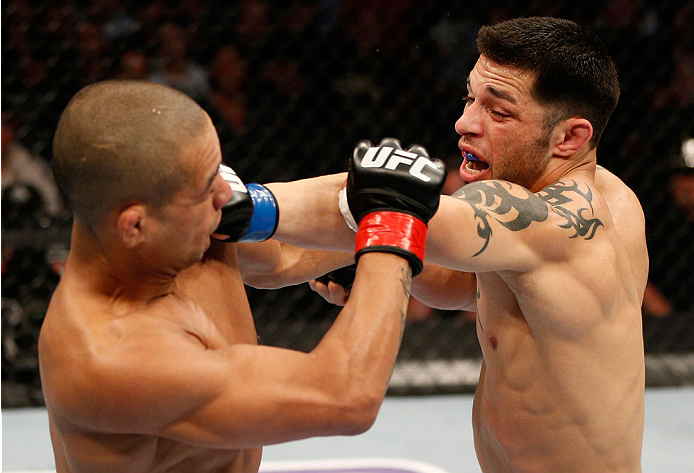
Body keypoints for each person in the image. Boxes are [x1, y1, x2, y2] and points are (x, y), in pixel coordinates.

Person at [268, 17, 647, 473]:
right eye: (470, 97)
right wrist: (382, 261)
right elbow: (465, 284)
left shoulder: (554, 222)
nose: (463, 123)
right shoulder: (610, 197)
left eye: (499, 111)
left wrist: (244, 205)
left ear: (570, 137)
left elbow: (396, 199)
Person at [38, 79, 446, 472]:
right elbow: (344, 395)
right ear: (134, 226)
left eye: (217, 169)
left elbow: (285, 253)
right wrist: (391, 231)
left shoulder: (176, 228)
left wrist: (373, 239)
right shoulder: (112, 359)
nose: (224, 193)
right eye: (204, 188)